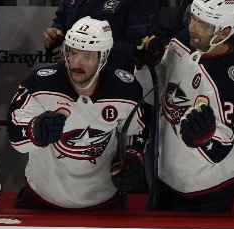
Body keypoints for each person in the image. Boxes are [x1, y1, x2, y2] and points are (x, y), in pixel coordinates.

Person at [8, 16, 146, 210]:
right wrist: (35, 130)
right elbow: (16, 138)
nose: (76, 63)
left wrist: (133, 156)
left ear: (104, 56)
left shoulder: (126, 90)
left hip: (104, 203)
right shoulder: (40, 85)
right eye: (72, 53)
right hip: (41, 200)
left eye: (87, 56)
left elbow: (135, 132)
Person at [139, 0, 234, 212]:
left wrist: (204, 139)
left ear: (224, 32)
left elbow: (218, 151)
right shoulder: (183, 40)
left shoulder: (231, 78)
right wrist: (148, 62)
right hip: (169, 170)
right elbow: (153, 93)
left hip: (211, 184)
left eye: (203, 24)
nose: (192, 27)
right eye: (193, 18)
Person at [43, 0, 161, 69]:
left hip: (114, 78)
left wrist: (82, 54)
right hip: (69, 74)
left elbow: (139, 46)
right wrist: (54, 35)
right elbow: (61, 21)